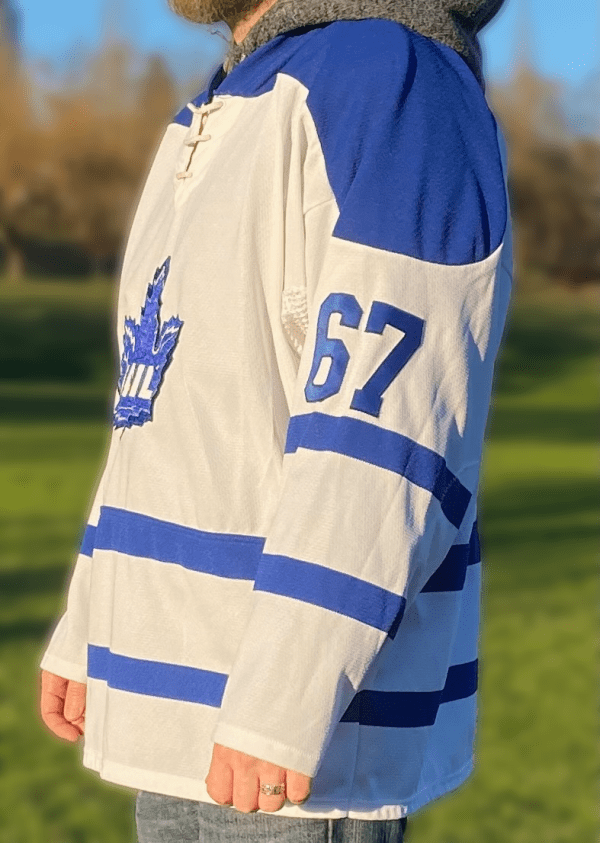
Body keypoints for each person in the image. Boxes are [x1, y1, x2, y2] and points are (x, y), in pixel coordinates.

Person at [38, 0, 513, 840]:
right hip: (176, 708)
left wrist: (285, 695)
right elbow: (165, 406)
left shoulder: (387, 79)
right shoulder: (229, 99)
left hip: (291, 754)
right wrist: (90, 627)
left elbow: (392, 426)